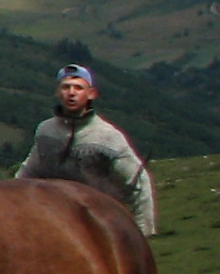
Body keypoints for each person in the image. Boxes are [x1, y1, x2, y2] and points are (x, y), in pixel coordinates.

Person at [14, 62, 155, 234]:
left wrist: (144, 231)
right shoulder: (45, 131)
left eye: (78, 88)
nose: (71, 93)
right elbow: (29, 171)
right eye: (66, 87)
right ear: (58, 93)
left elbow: (138, 183)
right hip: (50, 219)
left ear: (91, 94)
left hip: (95, 224)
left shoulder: (108, 137)